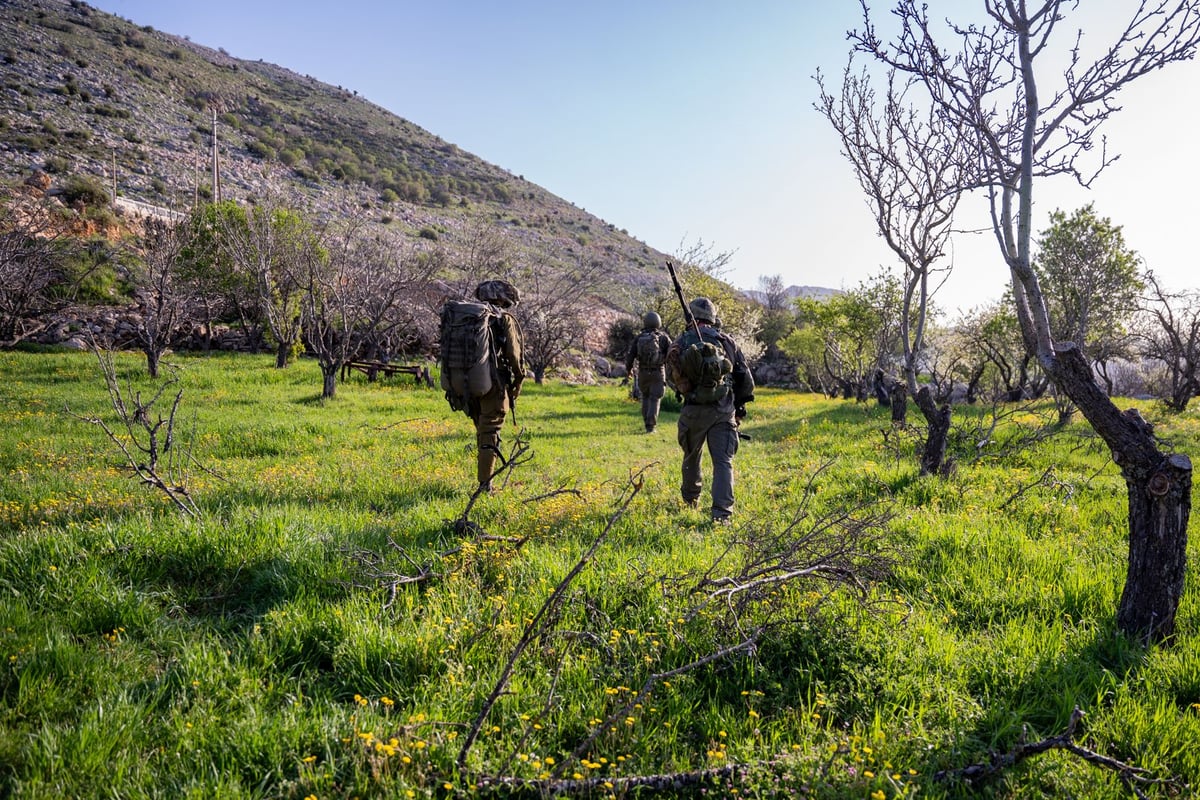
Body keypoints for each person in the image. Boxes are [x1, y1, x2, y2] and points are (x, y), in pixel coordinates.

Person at [666, 297, 754, 525]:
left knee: (691, 457)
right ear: (713, 318)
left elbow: (671, 377)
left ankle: (690, 501)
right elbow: (745, 379)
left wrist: (689, 390)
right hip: (723, 411)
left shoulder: (680, 341)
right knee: (723, 462)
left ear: (691, 317)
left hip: (693, 411)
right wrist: (739, 408)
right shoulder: (728, 342)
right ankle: (722, 515)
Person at [456, 280, 525, 493]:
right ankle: (486, 486)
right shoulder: (503, 319)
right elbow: (514, 355)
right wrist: (519, 378)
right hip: (493, 382)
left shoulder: (467, 318)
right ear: (505, 298)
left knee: (482, 428)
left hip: (467, 382)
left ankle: (485, 477)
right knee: (490, 430)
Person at [623, 311, 672, 432]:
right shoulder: (663, 337)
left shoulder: (639, 337)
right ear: (658, 322)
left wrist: (628, 370)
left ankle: (646, 423)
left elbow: (630, 356)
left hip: (643, 371)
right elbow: (672, 352)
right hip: (658, 372)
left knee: (645, 397)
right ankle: (651, 426)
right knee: (655, 398)